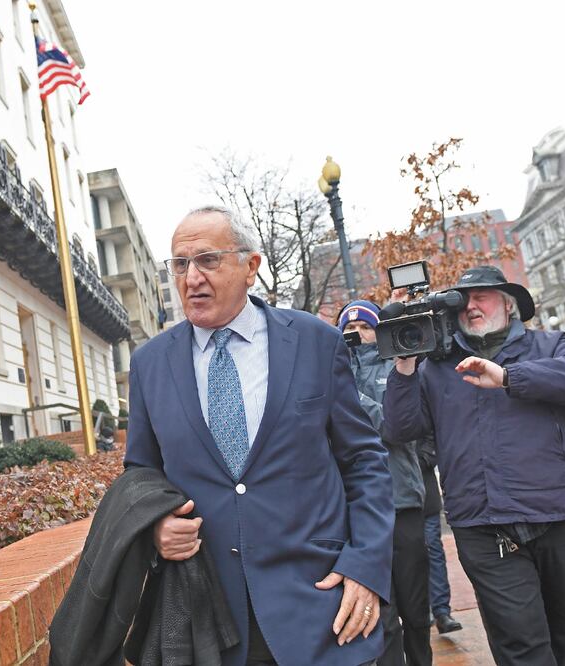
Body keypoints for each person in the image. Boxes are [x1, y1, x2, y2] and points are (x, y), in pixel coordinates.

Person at [125, 205, 395, 666]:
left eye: (208, 260)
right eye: (180, 264)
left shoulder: (314, 341)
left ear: (251, 267)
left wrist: (366, 567)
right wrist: (154, 526)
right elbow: (142, 472)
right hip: (212, 620)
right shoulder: (150, 364)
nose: (191, 278)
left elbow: (364, 461)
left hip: (321, 605)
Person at [382, 265, 565, 665]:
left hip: (554, 515)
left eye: (480, 297)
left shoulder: (549, 345)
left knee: (558, 633)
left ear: (508, 303)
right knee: (522, 641)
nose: (470, 307)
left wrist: (507, 377)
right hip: (483, 526)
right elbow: (400, 428)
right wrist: (403, 364)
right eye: (462, 301)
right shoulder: (436, 367)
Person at [339, 300, 432, 666]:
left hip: (402, 501)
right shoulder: (334, 372)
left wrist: (346, 399)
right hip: (358, 510)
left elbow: (395, 427)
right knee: (382, 612)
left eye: (364, 328)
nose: (357, 337)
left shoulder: (401, 367)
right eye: (349, 331)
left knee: (416, 608)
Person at [416, 437, 462, 635]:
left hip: (424, 493)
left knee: (433, 550)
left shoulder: (417, 405)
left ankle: (442, 612)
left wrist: (419, 459)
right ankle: (419, 611)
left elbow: (432, 438)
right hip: (390, 497)